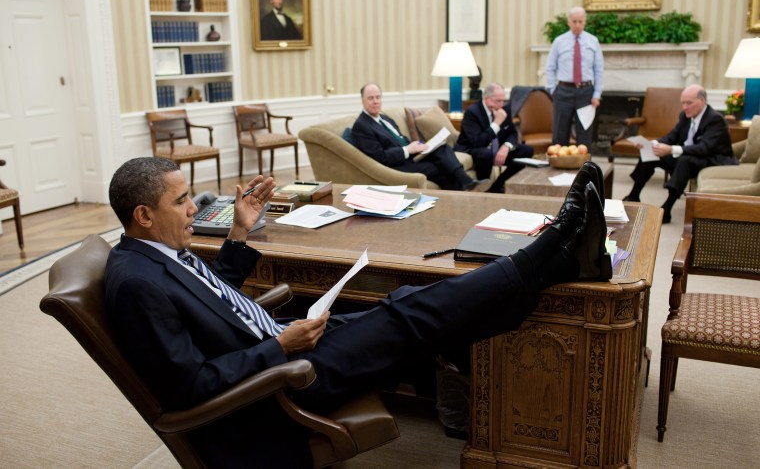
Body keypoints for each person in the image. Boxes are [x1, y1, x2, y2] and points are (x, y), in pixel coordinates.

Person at [105, 156, 610, 467]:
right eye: (182, 200)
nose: (194, 207)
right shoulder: (135, 285)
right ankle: (547, 252)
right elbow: (188, 386)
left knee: (407, 301)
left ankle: (557, 262)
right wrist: (282, 346)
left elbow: (212, 298)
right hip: (281, 380)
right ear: (144, 216)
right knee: (407, 319)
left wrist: (240, 232)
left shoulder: (157, 252)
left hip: (278, 340)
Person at [622, 84, 737, 223]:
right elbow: (672, 137)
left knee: (684, 161)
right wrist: (652, 144)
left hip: (711, 159)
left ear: (702, 101)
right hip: (689, 155)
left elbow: (704, 148)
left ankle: (667, 209)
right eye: (683, 103)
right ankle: (634, 195)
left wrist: (671, 149)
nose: (685, 107)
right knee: (651, 153)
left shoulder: (715, 119)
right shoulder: (685, 115)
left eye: (689, 103)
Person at [351, 83, 484, 191]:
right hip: (396, 166)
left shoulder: (384, 118)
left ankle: (467, 182)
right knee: (441, 167)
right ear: (362, 100)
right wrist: (407, 150)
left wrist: (418, 146)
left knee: (442, 147)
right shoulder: (361, 126)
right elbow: (380, 157)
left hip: (409, 157)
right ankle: (464, 189)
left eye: (378, 97)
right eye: (370, 98)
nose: (375, 101)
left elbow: (401, 139)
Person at [455, 83, 535, 193]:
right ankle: (483, 187)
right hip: (473, 149)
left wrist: (506, 147)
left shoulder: (504, 109)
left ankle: (497, 186)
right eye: (498, 101)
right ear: (486, 99)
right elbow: (478, 142)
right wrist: (497, 123)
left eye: (503, 100)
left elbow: (512, 133)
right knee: (485, 154)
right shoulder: (472, 112)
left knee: (527, 150)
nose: (501, 105)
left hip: (496, 149)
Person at [545, 6, 604, 148]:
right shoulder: (559, 41)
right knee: (560, 133)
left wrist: (596, 94)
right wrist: (553, 90)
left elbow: (599, 69)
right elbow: (550, 67)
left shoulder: (593, 41)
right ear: (568, 22)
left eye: (580, 22)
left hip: (586, 92)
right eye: (574, 21)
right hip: (563, 91)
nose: (577, 25)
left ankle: (584, 168)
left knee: (584, 134)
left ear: (585, 22)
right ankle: (558, 167)